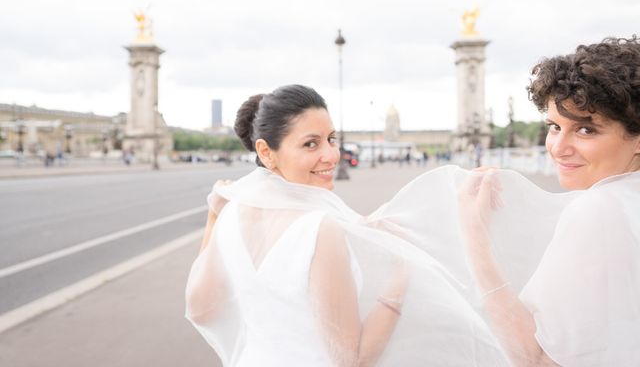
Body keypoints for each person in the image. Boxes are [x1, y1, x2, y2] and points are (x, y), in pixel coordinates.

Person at [186, 85, 510, 366]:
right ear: (266, 153)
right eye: (310, 144)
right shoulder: (320, 230)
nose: (331, 155)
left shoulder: (231, 214)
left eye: (331, 139)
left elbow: (201, 310)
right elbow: (352, 360)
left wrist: (213, 218)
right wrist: (400, 277)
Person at [458, 36, 640, 365]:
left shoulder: (598, 211)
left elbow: (534, 358)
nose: (558, 147)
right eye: (554, 126)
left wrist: (474, 235)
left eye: (586, 130)